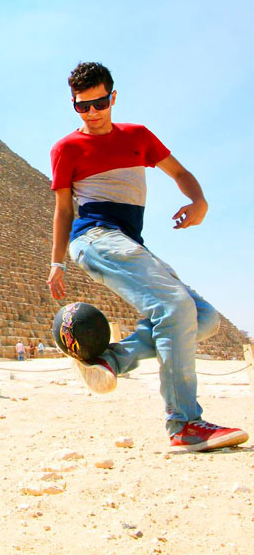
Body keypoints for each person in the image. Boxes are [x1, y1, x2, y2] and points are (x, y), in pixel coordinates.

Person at [47, 61, 248, 452]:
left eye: (99, 103)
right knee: (173, 307)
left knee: (202, 318)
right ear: (74, 105)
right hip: (96, 237)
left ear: (113, 97)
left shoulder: (138, 136)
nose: (92, 113)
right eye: (82, 106)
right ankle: (184, 423)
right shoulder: (66, 148)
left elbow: (180, 173)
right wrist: (56, 264)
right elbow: (63, 210)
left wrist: (199, 201)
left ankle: (111, 361)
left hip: (130, 242)